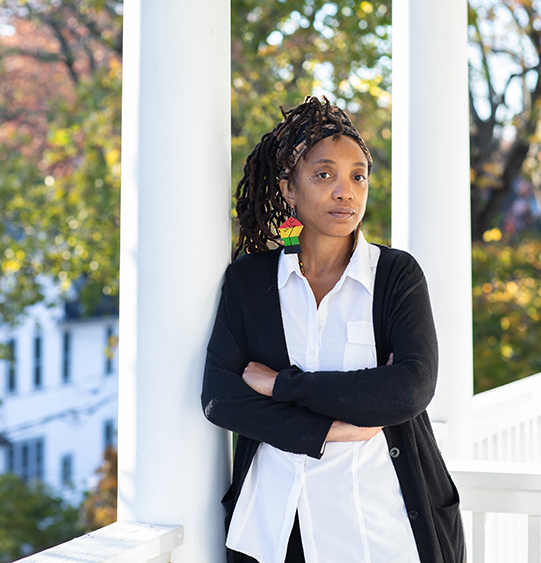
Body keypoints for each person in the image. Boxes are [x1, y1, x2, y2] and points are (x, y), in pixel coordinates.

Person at [201, 96, 465, 563]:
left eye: (358, 175)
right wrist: (330, 429)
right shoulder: (249, 281)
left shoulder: (396, 276)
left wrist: (281, 384)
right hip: (276, 531)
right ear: (289, 187)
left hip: (382, 530)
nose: (346, 191)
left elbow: (409, 388)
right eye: (325, 175)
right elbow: (221, 396)